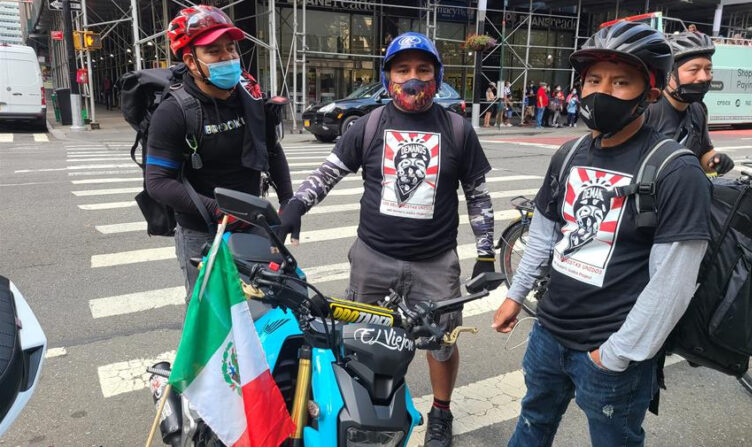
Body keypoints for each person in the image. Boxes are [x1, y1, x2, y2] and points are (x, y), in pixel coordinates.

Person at [492, 21, 711, 447]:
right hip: (548, 334)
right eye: (594, 79)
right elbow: (543, 233)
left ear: (649, 91)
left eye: (620, 81)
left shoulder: (676, 169)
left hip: (611, 352)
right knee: (532, 424)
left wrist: (613, 356)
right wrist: (515, 296)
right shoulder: (569, 153)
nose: (601, 92)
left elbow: (675, 282)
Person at [279, 32, 494, 447]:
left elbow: (478, 195)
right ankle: (361, 407)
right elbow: (328, 173)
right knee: (357, 338)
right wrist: (294, 208)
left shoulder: (457, 130)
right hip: (373, 258)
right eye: (402, 70)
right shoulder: (369, 125)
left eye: (423, 70)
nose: (413, 80)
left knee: (442, 344)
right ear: (387, 77)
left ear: (438, 76)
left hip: (435, 262)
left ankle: (442, 413)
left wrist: (485, 255)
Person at [145, 5, 293, 299]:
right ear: (190, 60)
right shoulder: (174, 111)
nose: (228, 58)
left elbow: (272, 151)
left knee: (266, 306)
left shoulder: (250, 95)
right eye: (214, 51)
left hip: (254, 224)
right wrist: (218, 209)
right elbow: (158, 182)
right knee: (211, 319)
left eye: (231, 48)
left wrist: (288, 202)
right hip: (202, 232)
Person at [645, 32, 734, 175]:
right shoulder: (648, 109)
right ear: (670, 73)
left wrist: (715, 161)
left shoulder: (698, 109)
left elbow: (703, 154)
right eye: (694, 70)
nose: (704, 77)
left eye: (708, 69)